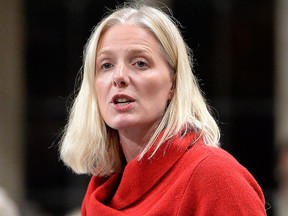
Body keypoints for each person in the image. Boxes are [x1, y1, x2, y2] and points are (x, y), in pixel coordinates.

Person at [60, 3, 267, 215]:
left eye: (140, 63)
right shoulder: (101, 191)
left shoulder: (215, 176)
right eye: (106, 65)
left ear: (174, 85)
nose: (119, 76)